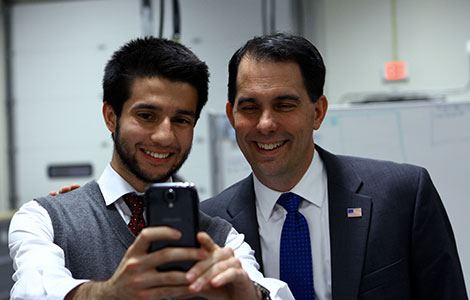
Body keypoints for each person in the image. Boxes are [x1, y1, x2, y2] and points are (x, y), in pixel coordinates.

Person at [8, 37, 294, 300]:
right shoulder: (44, 219)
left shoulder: (220, 238)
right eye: (146, 116)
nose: (164, 136)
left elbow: (267, 288)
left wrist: (253, 295)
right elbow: (34, 289)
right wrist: (109, 293)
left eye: (182, 120)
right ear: (111, 116)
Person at [200, 33, 469, 300]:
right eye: (250, 107)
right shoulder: (208, 226)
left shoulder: (402, 196)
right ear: (231, 116)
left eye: (284, 105)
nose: (265, 124)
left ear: (317, 112)